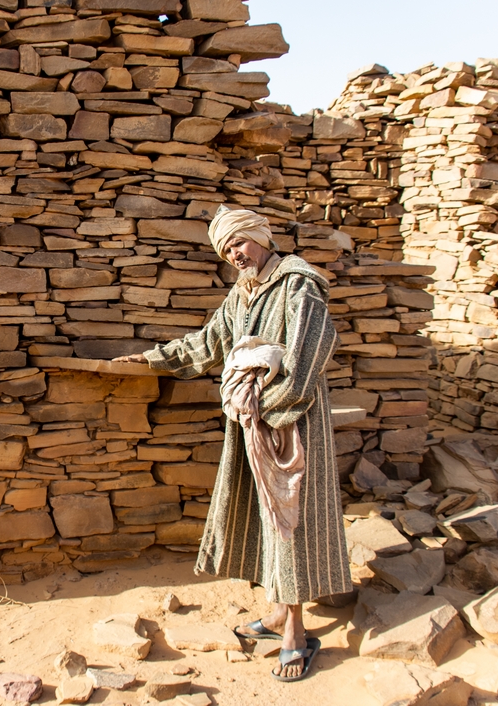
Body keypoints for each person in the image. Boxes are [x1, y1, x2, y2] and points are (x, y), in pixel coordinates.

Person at [114, 207, 351, 682]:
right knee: (266, 517)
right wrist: (153, 358)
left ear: (260, 237)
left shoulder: (297, 284)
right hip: (254, 420)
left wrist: (271, 407)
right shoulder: (241, 295)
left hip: (292, 422)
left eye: (238, 243)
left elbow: (307, 357)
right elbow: (208, 343)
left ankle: (296, 635)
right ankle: (280, 613)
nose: (234, 255)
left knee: (292, 519)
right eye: (226, 250)